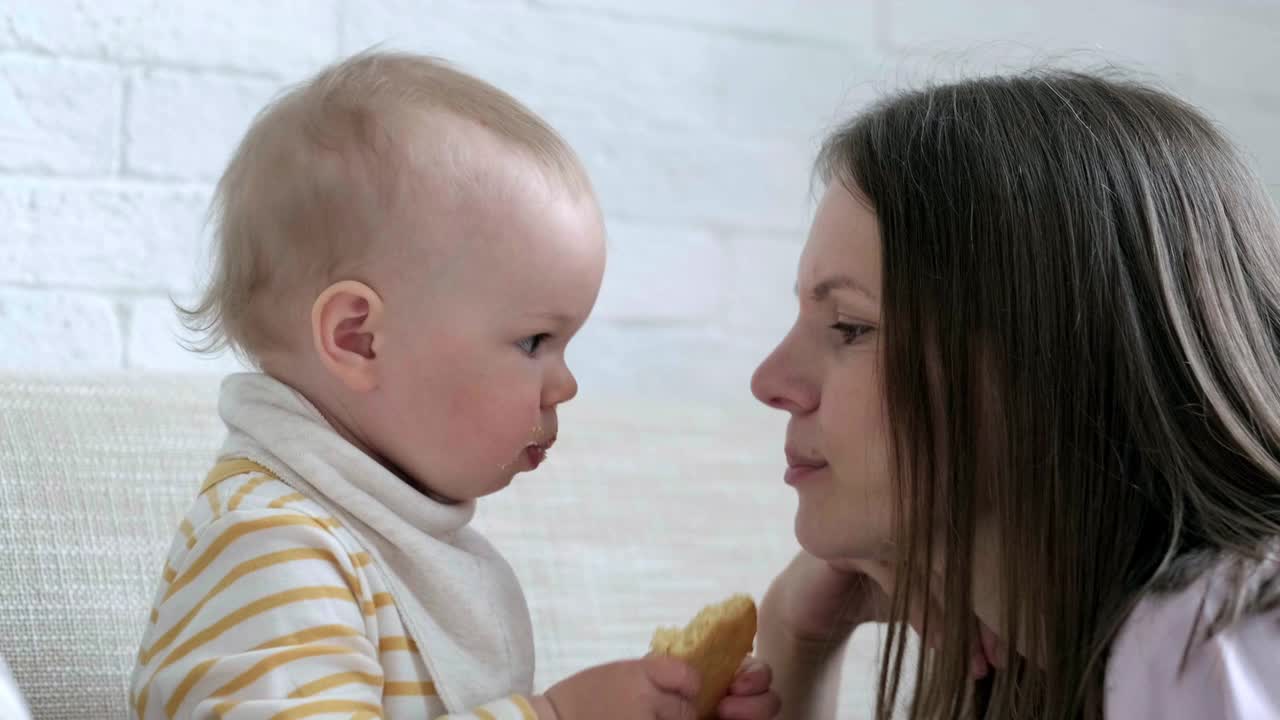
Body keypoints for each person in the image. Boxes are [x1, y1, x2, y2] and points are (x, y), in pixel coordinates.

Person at [130, 50, 778, 720]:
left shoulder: (392, 542)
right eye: (534, 341)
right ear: (359, 339)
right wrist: (555, 715)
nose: (566, 384)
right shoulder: (273, 546)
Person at [750, 70, 1280, 719]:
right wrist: (796, 636)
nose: (770, 382)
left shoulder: (1210, 647)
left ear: (1055, 360)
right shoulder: (1102, 659)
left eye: (851, 327)